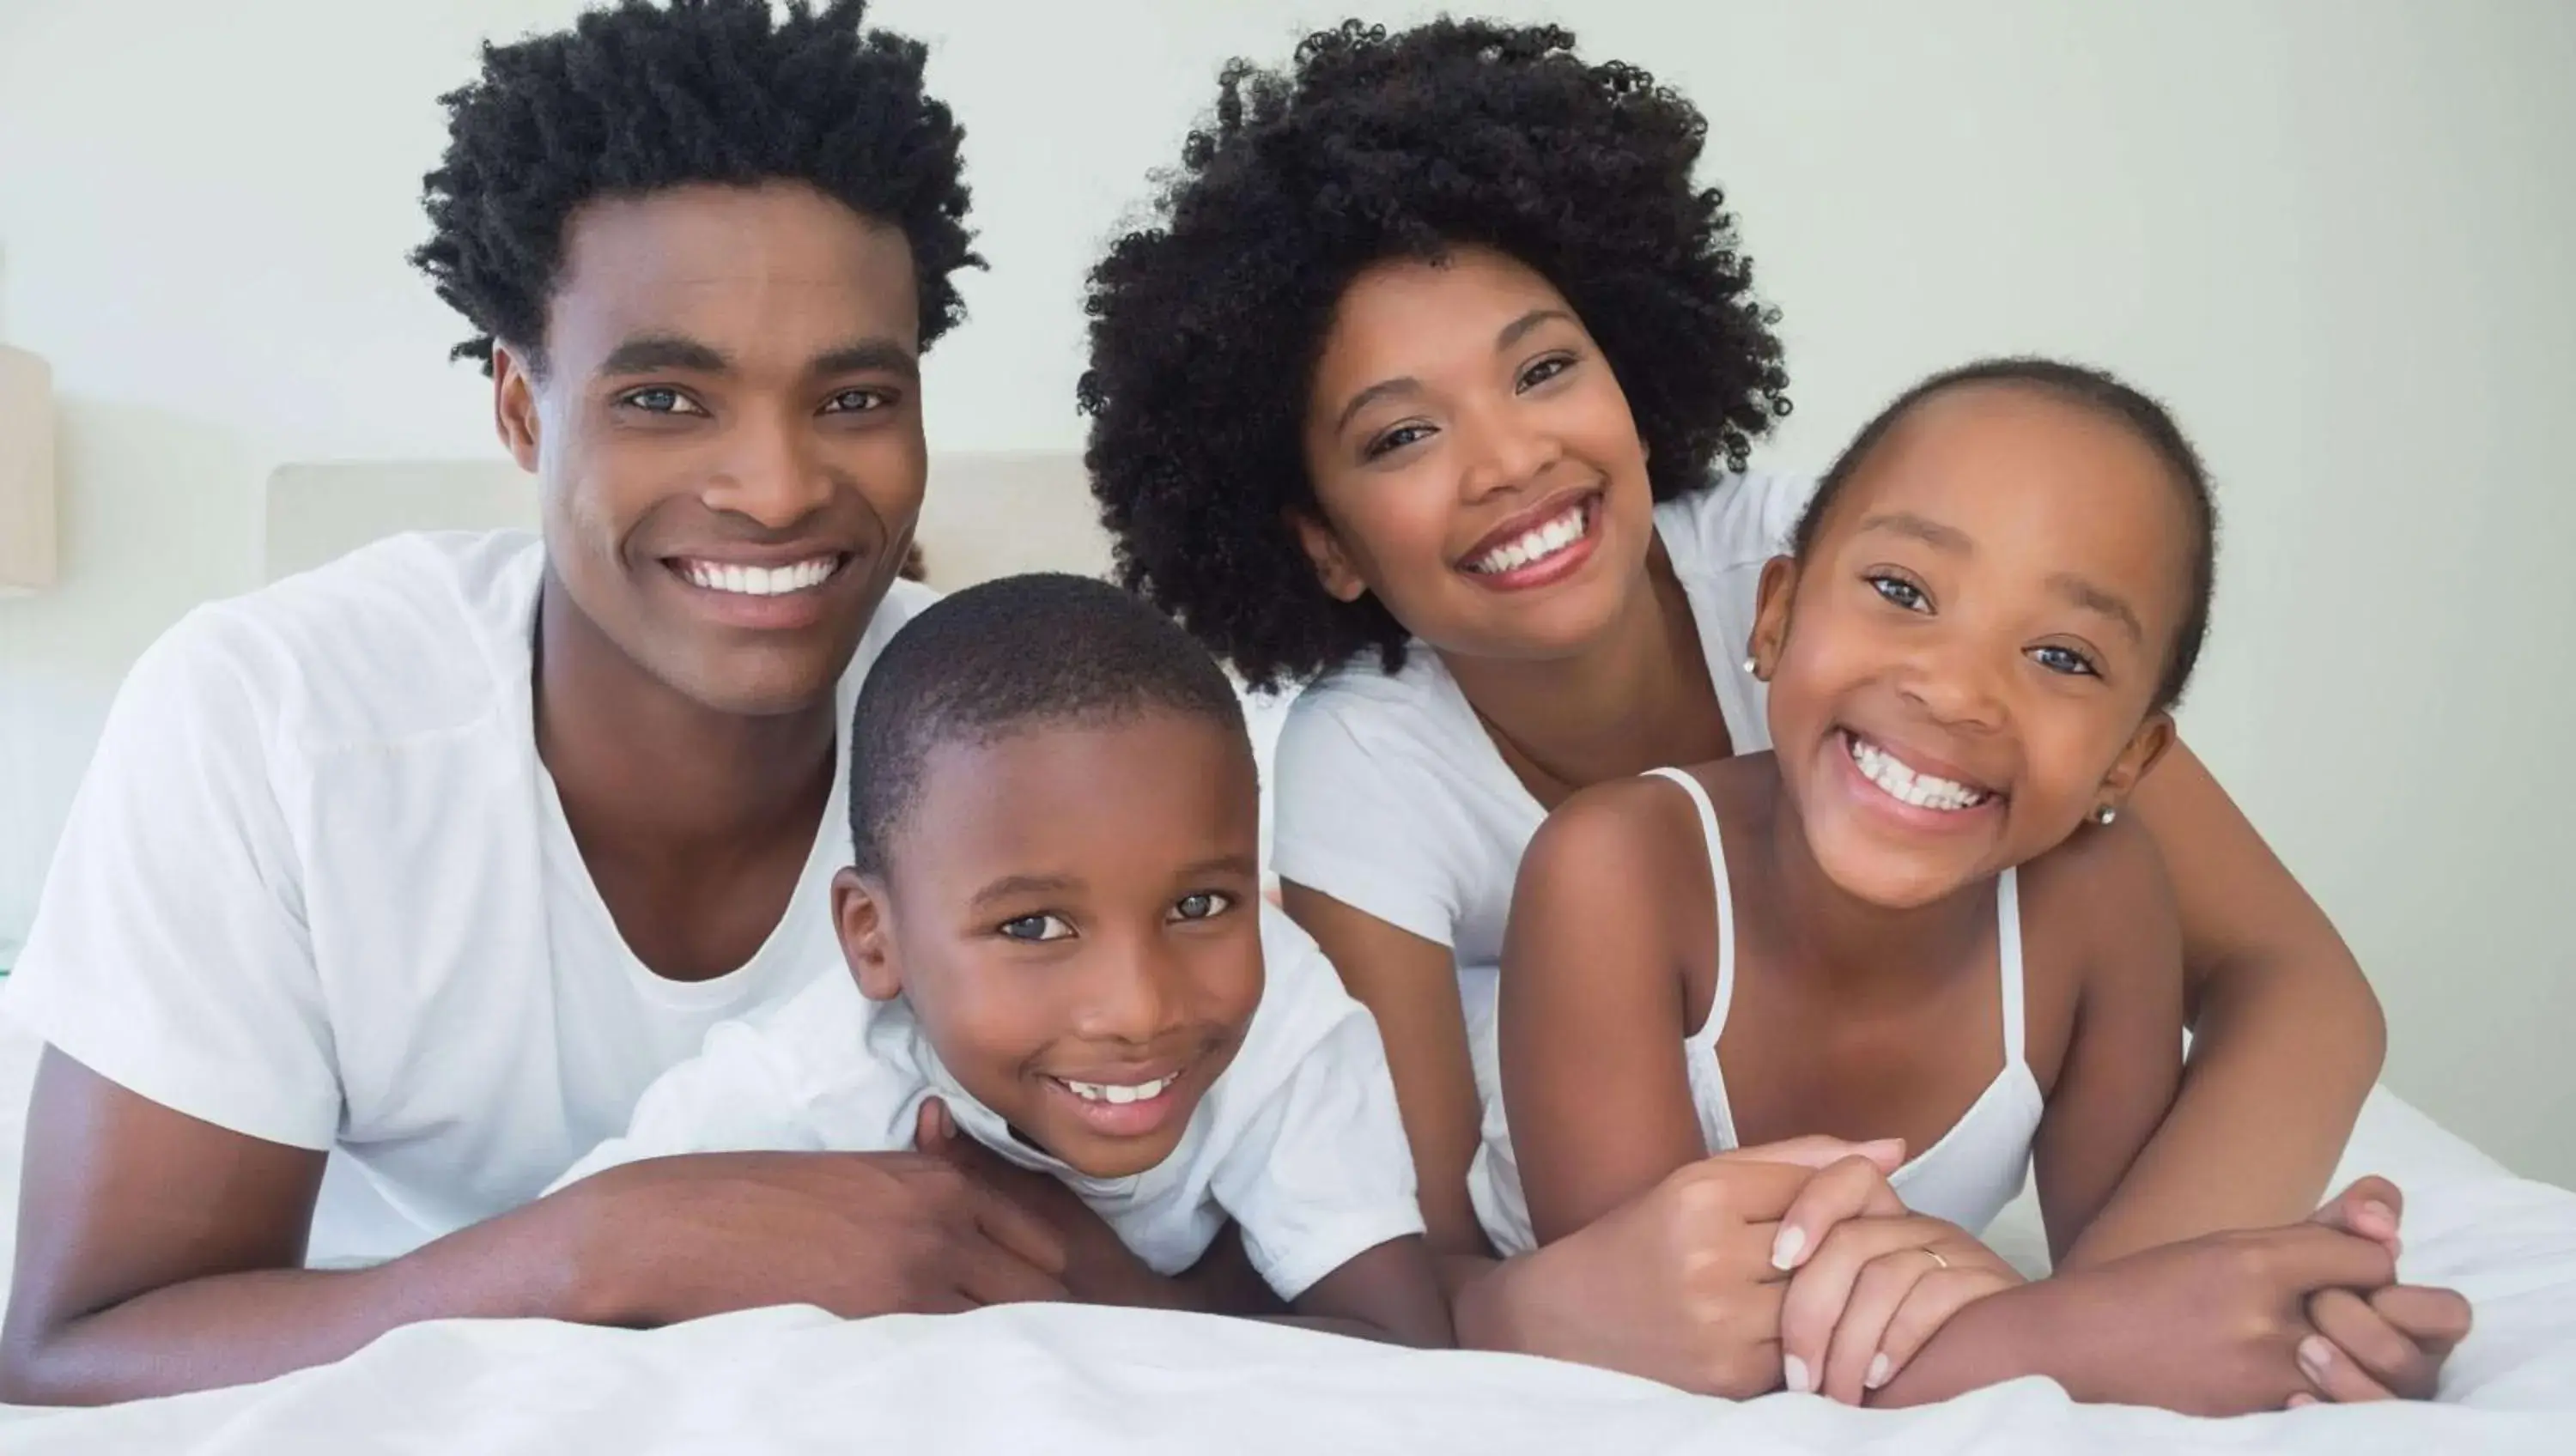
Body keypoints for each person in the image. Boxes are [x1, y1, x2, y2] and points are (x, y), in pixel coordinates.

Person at [1078, 18, 2440, 1398]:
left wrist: (2145, 1311)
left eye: (1546, 368)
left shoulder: (1867, 581)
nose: (1510, 458)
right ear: (1324, 541)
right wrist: (2049, 1339)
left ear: (1633, 370)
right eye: (1402, 436)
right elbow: (1429, 1269)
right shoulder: (1372, 766)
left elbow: (2300, 987)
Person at [0, 0, 1204, 1407]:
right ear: (521, 408)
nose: (776, 485)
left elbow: (1269, 1267)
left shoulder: (1046, 741)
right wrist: (595, 1252)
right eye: (666, 401)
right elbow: (76, 1347)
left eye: (855, 397)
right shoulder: (278, 723)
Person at [1498, 357, 2472, 1413]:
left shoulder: (2101, 902)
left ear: (2128, 765)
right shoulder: (1613, 870)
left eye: (2061, 656)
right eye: (1902, 591)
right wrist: (2052, 1337)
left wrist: (2300, 1318)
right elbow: (1667, 1336)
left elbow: (2121, 1296)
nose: (1958, 690)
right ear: (1772, 617)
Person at [553, 574, 1450, 1347]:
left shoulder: (1286, 1025)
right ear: (874, 936)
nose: (1139, 1009)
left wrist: (1121, 1296)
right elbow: (549, 1273)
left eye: (1199, 905)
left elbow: (1402, 1354)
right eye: (1032, 928)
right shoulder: (803, 1089)